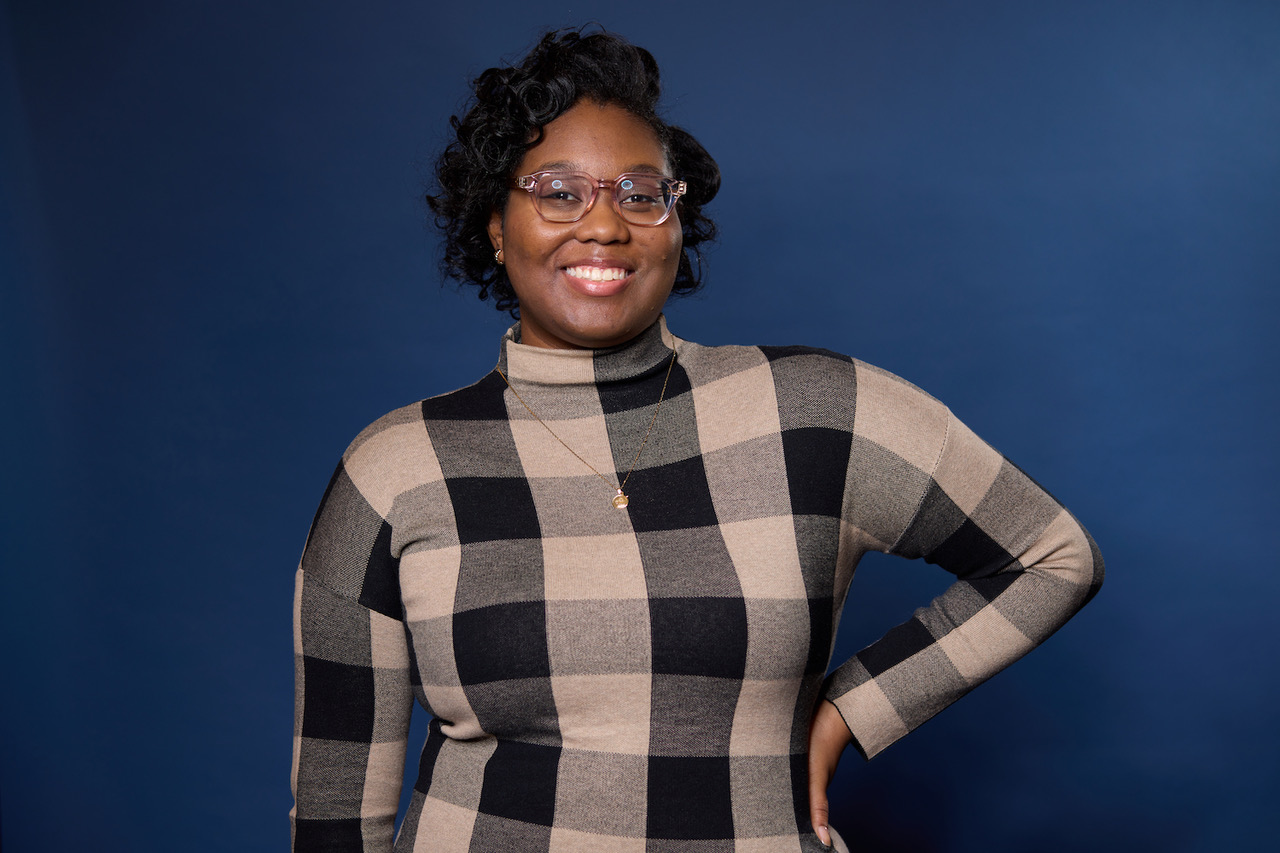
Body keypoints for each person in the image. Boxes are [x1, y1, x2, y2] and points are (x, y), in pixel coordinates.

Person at [291, 28, 1103, 852]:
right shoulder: (394, 470)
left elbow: (1051, 554)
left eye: (640, 194)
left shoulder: (813, 411)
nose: (604, 225)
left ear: (676, 225)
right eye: (558, 191)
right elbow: (333, 813)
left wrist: (849, 711)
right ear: (496, 227)